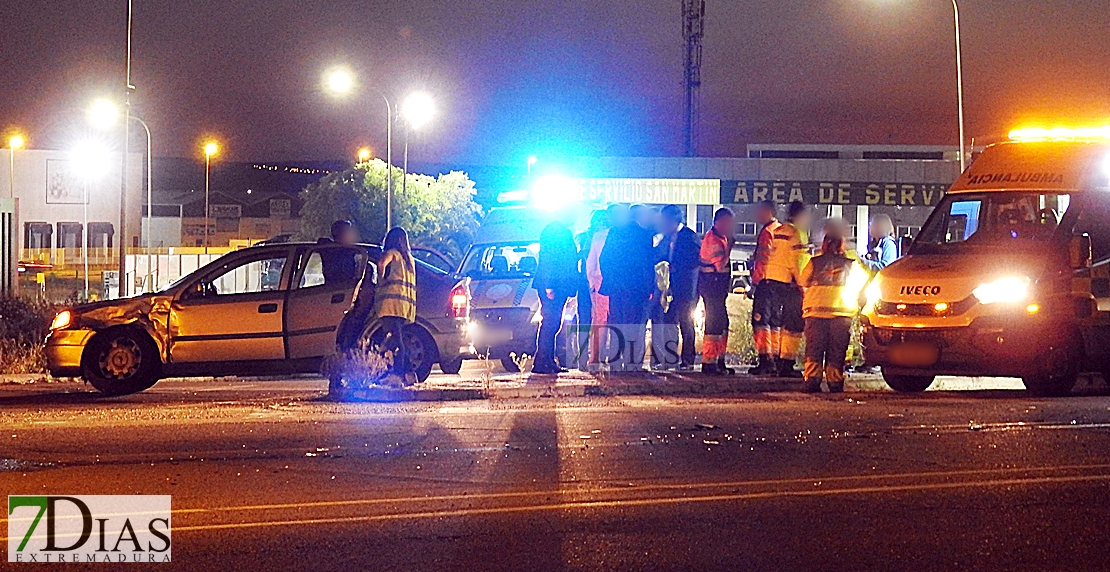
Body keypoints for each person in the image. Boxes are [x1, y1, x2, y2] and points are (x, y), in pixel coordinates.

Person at [799, 234, 869, 393]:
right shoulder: (852, 265)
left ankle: (812, 381)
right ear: (841, 246)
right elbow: (863, 285)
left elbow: (803, 281)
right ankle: (834, 381)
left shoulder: (814, 262)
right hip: (841, 314)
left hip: (815, 313)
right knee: (837, 350)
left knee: (814, 349)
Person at [599, 203, 656, 371]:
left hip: (616, 288)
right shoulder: (644, 235)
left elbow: (604, 259)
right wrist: (649, 288)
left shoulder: (615, 232)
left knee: (617, 321)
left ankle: (615, 361)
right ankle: (633, 363)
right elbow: (648, 264)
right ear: (641, 217)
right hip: (637, 288)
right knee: (636, 325)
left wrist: (611, 279)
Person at [761, 200, 812, 378]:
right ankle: (787, 364)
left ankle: (778, 360)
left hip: (773, 280)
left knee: (779, 323)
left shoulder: (780, 230)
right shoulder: (798, 233)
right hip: (790, 283)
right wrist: (803, 285)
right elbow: (798, 261)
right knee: (793, 325)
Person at [653, 204, 701, 370]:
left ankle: (688, 360)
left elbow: (695, 260)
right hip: (670, 289)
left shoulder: (689, 236)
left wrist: (676, 267)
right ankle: (669, 359)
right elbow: (658, 255)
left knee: (686, 323)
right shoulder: (666, 238)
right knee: (668, 322)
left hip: (687, 289)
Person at [533, 219, 579, 374]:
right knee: (550, 323)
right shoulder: (555, 232)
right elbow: (549, 259)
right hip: (554, 285)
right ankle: (542, 362)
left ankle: (546, 360)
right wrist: (549, 285)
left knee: (553, 323)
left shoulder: (556, 231)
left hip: (558, 284)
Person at [373, 227, 417, 379]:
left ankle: (399, 372)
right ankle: (407, 372)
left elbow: (381, 263)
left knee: (396, 340)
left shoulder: (392, 254)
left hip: (390, 305)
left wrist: (381, 278)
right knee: (396, 338)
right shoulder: (409, 259)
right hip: (404, 307)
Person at [699, 207, 736, 375]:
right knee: (714, 324)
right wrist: (730, 247)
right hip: (712, 288)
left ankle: (719, 361)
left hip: (717, 289)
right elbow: (720, 265)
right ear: (718, 222)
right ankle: (709, 363)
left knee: (722, 324)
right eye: (728, 223)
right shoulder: (713, 240)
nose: (731, 226)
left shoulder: (720, 237)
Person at [586, 204, 625, 366]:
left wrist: (591, 283)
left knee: (599, 321)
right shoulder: (622, 236)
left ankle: (595, 358)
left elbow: (591, 263)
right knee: (618, 319)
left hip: (599, 283)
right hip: (618, 283)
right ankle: (615, 358)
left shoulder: (598, 236)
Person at [748, 201, 781, 375]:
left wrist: (754, 284)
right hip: (778, 284)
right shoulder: (780, 229)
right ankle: (775, 359)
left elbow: (762, 261)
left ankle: (765, 361)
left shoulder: (767, 232)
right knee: (774, 323)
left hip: (765, 283)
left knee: (760, 322)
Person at [574, 210, 608, 369]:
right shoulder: (602, 237)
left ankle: (584, 359)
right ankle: (589, 358)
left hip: (586, 282)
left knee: (586, 321)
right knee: (595, 321)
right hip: (592, 282)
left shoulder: (583, 237)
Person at [318, 219, 361, 285]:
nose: (352, 236)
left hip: (338, 289)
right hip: (339, 289)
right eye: (349, 232)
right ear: (342, 234)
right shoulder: (330, 250)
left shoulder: (328, 248)